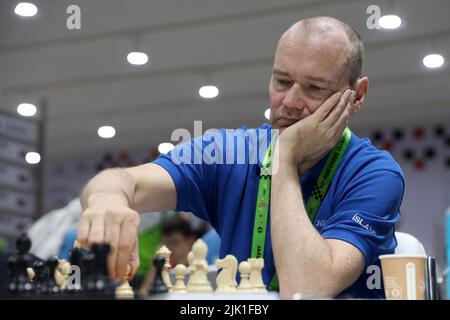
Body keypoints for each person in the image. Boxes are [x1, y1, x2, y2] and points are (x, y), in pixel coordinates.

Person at [77, 16, 404, 299]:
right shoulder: (229, 151)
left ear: (356, 95)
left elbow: (307, 289)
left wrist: (284, 157)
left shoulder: (374, 173)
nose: (290, 101)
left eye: (315, 88)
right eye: (282, 81)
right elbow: (126, 181)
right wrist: (108, 199)